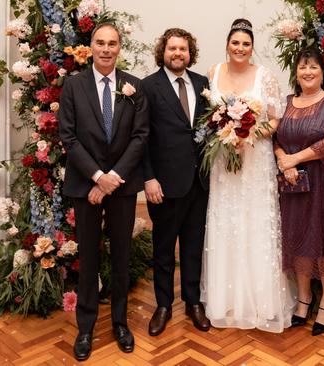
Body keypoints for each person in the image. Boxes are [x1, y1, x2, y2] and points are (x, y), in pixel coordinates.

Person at [58, 23, 148, 358]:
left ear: (119, 48)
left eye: (112, 43)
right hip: (87, 186)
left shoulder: (134, 87)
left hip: (122, 187)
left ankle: (120, 324)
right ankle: (85, 328)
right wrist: (98, 177)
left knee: (121, 257)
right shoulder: (73, 86)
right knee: (89, 258)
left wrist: (112, 178)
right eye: (100, 43)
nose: (106, 49)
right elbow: (69, 137)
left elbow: (140, 137)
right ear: (90, 47)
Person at [200, 18, 294, 333]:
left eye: (246, 44)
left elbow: (276, 119)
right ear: (227, 44)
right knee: (226, 223)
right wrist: (227, 134)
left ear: (252, 48)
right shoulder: (213, 73)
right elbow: (209, 118)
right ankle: (225, 301)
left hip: (255, 161)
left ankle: (261, 303)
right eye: (235, 42)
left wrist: (248, 135)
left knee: (254, 223)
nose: (240, 48)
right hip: (223, 162)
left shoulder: (264, 76)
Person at [274, 47, 324, 336]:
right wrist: (283, 158)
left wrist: (296, 158)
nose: (307, 72)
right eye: (302, 67)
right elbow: (275, 137)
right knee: (299, 238)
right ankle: (303, 299)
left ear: (322, 72)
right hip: (293, 184)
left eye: (313, 67)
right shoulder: (286, 103)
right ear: (295, 72)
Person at [141, 28, 211, 336]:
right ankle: (164, 305)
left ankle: (194, 302)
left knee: (194, 247)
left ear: (189, 52)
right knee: (164, 248)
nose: (178, 53)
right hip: (164, 184)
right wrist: (148, 178)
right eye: (172, 48)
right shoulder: (147, 86)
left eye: (183, 49)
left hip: (199, 183)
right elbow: (140, 138)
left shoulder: (202, 84)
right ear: (163, 51)